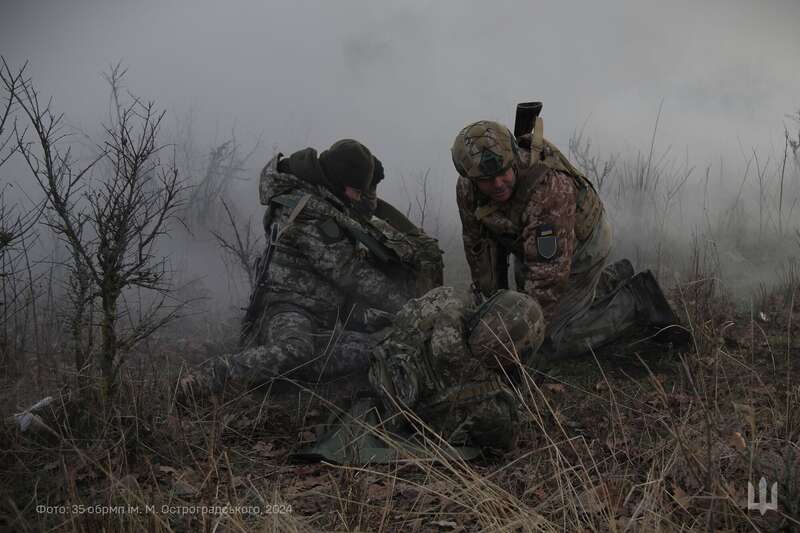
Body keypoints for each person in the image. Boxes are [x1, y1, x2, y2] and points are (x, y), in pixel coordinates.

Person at [181, 139, 442, 400]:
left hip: (319, 317)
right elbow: (348, 272)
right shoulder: (307, 212)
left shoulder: (327, 199)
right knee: (297, 350)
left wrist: (371, 185)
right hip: (286, 308)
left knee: (375, 349)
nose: (357, 197)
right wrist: (407, 306)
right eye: (355, 190)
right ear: (339, 181)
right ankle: (218, 373)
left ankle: (291, 379)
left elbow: (360, 218)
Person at [451, 118, 683, 361]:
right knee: (517, 308)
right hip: (530, 242)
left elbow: (547, 276)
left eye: (503, 172)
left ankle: (637, 301)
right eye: (486, 179)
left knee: (549, 340)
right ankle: (611, 279)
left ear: (514, 159)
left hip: (583, 244)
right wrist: (490, 306)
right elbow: (477, 246)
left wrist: (522, 337)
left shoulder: (547, 190)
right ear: (470, 177)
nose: (498, 184)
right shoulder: (468, 189)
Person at [369, 286, 545, 450]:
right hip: (399, 412)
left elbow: (402, 319)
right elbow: (507, 441)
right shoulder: (488, 402)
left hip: (380, 360)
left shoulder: (448, 298)